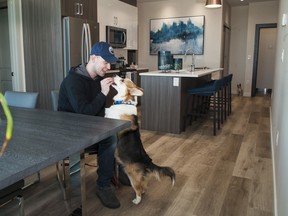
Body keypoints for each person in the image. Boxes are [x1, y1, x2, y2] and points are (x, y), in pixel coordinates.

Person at [58, 41, 120, 209]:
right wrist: (102, 93)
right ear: (93, 58)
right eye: (105, 62)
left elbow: (98, 111)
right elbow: (85, 113)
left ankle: (115, 171)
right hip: (72, 133)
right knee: (110, 139)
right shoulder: (73, 81)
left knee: (119, 131)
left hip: (89, 128)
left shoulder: (97, 79)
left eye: (109, 63)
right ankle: (103, 186)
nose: (108, 67)